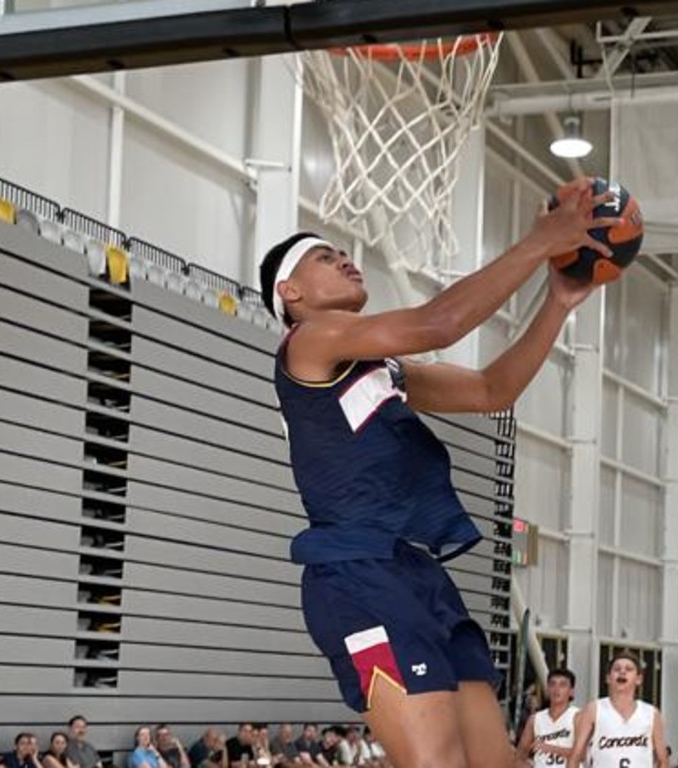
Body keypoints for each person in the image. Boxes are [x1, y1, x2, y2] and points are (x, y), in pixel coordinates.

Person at [261, 179, 617, 768]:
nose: (345, 258)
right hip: (354, 573)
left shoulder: (382, 368)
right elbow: (440, 322)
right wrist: (538, 242)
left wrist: (557, 301)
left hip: (413, 569)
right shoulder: (311, 340)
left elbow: (490, 389)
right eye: (325, 256)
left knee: (497, 762)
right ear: (290, 291)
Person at [567, 652, 669, 768]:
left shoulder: (651, 713)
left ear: (639, 679)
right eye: (617, 669)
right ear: (608, 678)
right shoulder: (594, 710)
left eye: (629, 669)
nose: (622, 672)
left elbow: (663, 761)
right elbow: (575, 757)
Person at [516, 669, 580, 768]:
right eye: (552, 684)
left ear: (571, 691)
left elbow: (583, 754)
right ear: (547, 689)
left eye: (562, 685)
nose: (556, 689)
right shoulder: (535, 719)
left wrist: (549, 748)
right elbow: (519, 756)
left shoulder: (578, 716)